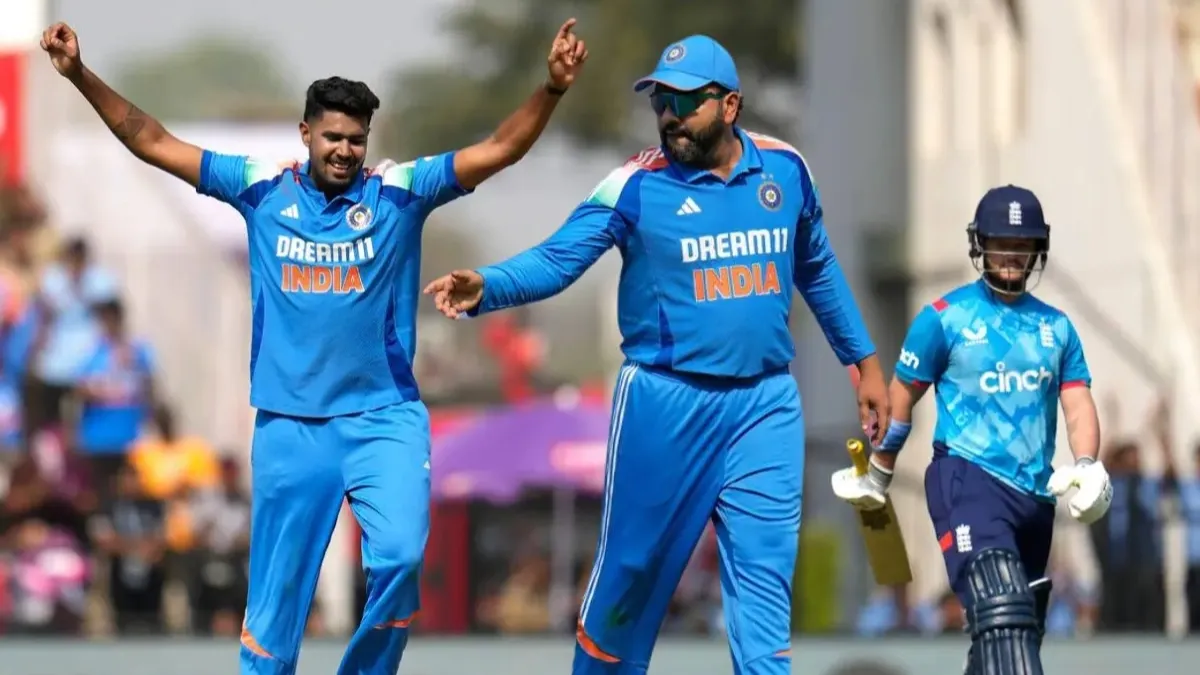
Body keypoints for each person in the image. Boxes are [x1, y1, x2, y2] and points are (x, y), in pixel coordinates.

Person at [41, 18, 587, 675]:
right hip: (290, 427)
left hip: (383, 419)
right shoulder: (260, 188)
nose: (345, 151)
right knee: (273, 618)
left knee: (399, 560)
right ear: (306, 134)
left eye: (356, 139)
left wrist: (552, 90)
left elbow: (499, 148)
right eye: (333, 137)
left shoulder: (401, 191)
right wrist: (79, 75)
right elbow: (152, 140)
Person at [426, 35, 888, 675]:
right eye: (660, 102)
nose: (670, 115)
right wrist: (489, 285)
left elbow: (818, 267)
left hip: (765, 405)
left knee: (765, 588)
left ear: (730, 105)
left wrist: (864, 363)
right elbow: (560, 258)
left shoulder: (785, 170)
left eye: (686, 102)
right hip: (665, 404)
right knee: (631, 574)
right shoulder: (636, 185)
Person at [831, 185, 1112, 674]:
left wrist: (1087, 463)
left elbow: (1077, 403)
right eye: (1001, 243)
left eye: (1022, 245)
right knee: (1003, 608)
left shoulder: (1058, 328)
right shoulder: (945, 319)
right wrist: (880, 471)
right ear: (980, 244)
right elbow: (902, 397)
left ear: (1037, 250)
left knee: (1014, 626)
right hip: (967, 480)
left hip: (1035, 495)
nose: (1011, 255)